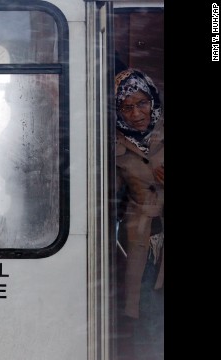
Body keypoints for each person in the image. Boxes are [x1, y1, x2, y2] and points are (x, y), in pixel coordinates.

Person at [114, 68, 164, 358]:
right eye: (127, 107)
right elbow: (107, 195)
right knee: (146, 309)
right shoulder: (115, 142)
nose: (136, 114)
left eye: (142, 103)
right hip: (140, 240)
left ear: (153, 100)